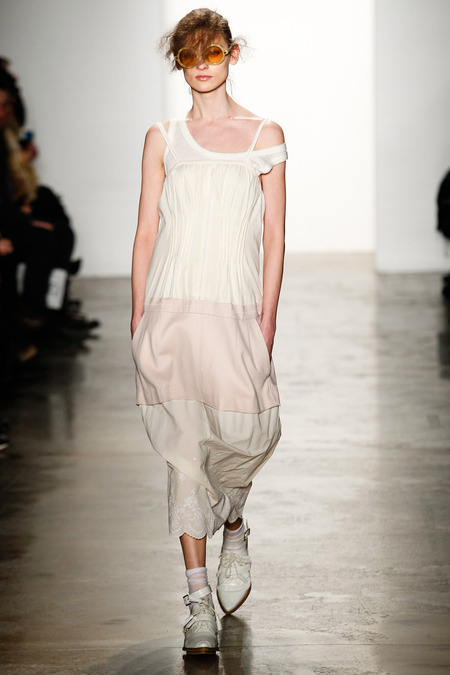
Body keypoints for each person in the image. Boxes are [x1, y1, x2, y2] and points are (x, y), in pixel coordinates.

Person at [131, 8, 287, 655]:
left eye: (212, 53)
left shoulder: (264, 135)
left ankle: (236, 520)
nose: (202, 66)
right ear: (178, 62)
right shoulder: (163, 137)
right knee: (184, 453)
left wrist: (266, 319)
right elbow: (146, 230)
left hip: (235, 309)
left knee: (245, 436)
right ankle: (197, 600)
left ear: (232, 54)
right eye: (190, 56)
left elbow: (275, 235)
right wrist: (138, 315)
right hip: (172, 309)